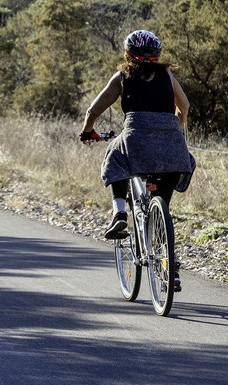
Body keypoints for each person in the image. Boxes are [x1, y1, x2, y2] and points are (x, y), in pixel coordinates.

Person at [80, 30, 194, 287]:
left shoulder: (122, 77)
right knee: (161, 206)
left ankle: (120, 213)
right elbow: (184, 106)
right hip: (171, 146)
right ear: (157, 55)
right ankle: (170, 268)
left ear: (127, 54)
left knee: (115, 157)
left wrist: (87, 131)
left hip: (136, 140)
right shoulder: (167, 75)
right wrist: (176, 125)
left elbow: (94, 109)